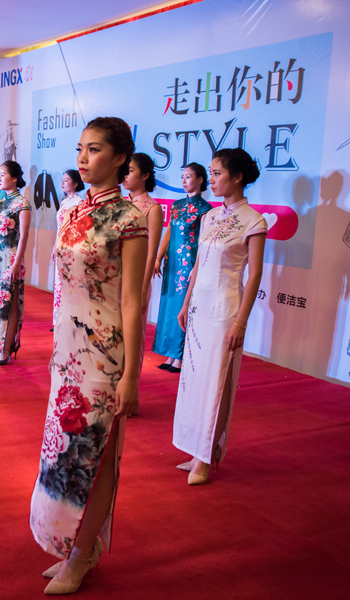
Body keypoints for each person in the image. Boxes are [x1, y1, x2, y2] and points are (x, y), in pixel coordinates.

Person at [30, 116, 147, 595]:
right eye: (80, 148)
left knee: (93, 456)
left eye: (94, 149)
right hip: (68, 350)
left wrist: (132, 374)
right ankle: (77, 544)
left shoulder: (130, 218)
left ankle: (81, 556)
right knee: (62, 451)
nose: (82, 157)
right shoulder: (73, 208)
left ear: (120, 158)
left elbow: (133, 300)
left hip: (104, 354)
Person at [173, 148, 267, 486]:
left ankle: (206, 456)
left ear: (237, 177)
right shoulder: (209, 217)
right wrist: (186, 303)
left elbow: (254, 275)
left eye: (217, 174)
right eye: (210, 174)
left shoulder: (254, 221)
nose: (211, 180)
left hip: (226, 311)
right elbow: (198, 264)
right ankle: (196, 448)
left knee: (218, 382)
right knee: (195, 381)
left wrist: (241, 321)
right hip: (199, 309)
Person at [152, 163, 212, 373]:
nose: (184, 181)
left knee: (182, 306)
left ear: (200, 179)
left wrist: (198, 266)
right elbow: (169, 232)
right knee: (168, 305)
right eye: (182, 177)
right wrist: (159, 258)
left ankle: (180, 355)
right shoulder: (176, 205)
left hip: (189, 264)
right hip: (172, 262)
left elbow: (204, 241)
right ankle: (170, 353)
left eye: (188, 177)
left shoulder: (205, 209)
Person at [122, 152, 164, 398]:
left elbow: (151, 254)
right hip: (115, 279)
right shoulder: (120, 204)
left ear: (145, 175)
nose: (125, 176)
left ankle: (130, 394)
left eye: (130, 171)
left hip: (137, 281)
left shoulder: (152, 208)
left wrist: (142, 288)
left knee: (133, 336)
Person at [0, 161, 31, 366]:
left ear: (14, 178)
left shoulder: (22, 203)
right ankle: (1, 346)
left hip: (11, 259)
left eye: (3, 174)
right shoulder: (1, 202)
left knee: (9, 304)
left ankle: (6, 349)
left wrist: (16, 263)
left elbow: (24, 237)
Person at [52, 169, 85, 329]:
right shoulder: (64, 202)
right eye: (62, 180)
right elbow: (59, 228)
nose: (63, 182)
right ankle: (58, 319)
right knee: (59, 284)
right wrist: (54, 247)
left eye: (67, 180)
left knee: (69, 284)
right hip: (60, 246)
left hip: (70, 248)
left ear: (76, 183)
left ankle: (69, 320)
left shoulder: (79, 203)